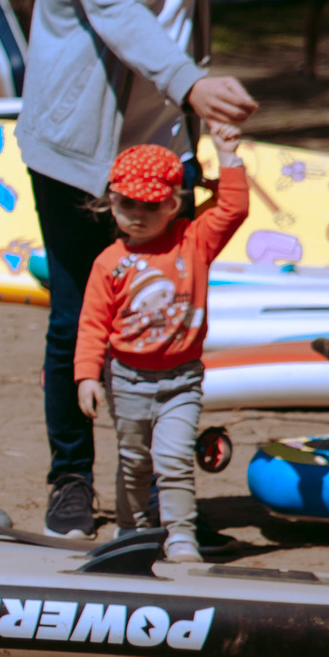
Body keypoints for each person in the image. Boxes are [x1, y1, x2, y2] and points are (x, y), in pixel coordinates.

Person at [19, 0, 258, 540]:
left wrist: (192, 110)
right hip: (79, 153)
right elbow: (123, 17)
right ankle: (69, 478)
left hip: (161, 152)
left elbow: (183, 20)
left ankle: (151, 484)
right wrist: (194, 84)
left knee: (165, 311)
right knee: (78, 317)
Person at [74, 134, 250, 563]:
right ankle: (131, 531)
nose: (138, 216)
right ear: (111, 202)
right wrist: (86, 376)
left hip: (181, 379)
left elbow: (234, 209)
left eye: (151, 206)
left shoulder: (193, 242)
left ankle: (181, 536)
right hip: (127, 379)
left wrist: (228, 157)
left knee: (172, 461)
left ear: (173, 204)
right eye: (128, 205)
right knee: (134, 461)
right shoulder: (108, 263)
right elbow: (93, 323)